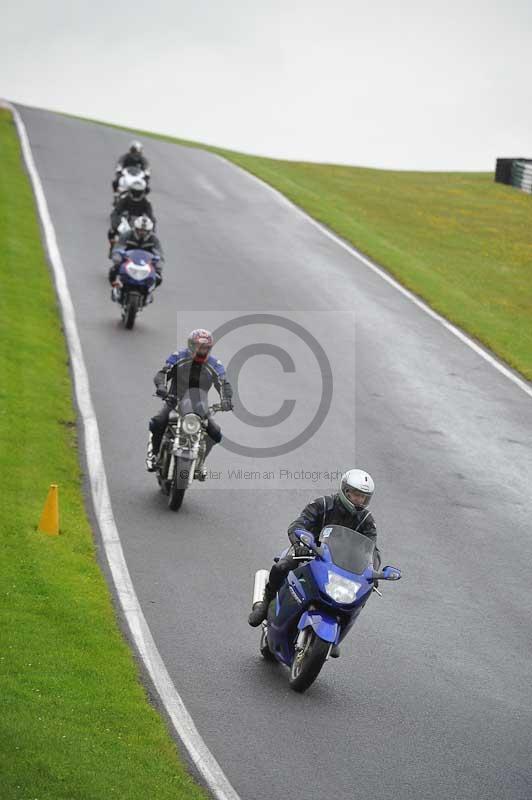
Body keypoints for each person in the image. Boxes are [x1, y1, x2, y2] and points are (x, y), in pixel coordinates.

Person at [248, 469, 382, 656]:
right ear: (345, 490)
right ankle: (265, 605)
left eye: (363, 497)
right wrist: (300, 542)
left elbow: (372, 549)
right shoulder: (323, 504)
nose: (359, 500)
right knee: (282, 567)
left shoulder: (367, 520)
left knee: (363, 592)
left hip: (342, 565)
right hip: (309, 551)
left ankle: (338, 632)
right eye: (356, 495)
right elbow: (298, 525)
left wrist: (373, 571)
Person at [146, 329, 234, 476]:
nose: (202, 351)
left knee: (215, 433)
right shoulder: (178, 356)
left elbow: (223, 383)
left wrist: (226, 400)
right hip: (174, 401)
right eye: (199, 347)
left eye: (206, 348)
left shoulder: (215, 364)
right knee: (158, 421)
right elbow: (163, 373)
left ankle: (200, 462)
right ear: (191, 346)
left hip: (200, 406)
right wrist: (161, 387)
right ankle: (153, 454)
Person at [108, 215, 164, 286]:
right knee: (113, 270)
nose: (142, 233)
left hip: (145, 263)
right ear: (135, 228)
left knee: (158, 278)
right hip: (128, 260)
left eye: (144, 231)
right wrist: (117, 260)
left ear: (149, 231)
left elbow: (159, 254)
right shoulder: (127, 235)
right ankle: (115, 287)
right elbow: (118, 247)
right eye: (140, 230)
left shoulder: (154, 239)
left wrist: (158, 268)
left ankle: (149, 290)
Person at [108, 179, 155, 254]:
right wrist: (116, 224)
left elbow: (151, 216)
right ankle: (113, 247)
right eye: (135, 192)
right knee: (111, 232)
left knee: (149, 239)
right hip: (126, 222)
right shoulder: (124, 200)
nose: (136, 194)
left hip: (139, 223)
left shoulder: (146, 203)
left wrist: (152, 227)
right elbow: (116, 212)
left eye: (138, 192)